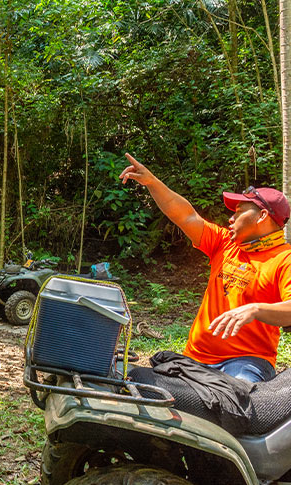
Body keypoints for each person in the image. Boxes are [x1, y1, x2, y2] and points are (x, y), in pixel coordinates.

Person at [120, 153, 291, 383]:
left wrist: (255, 310)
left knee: (239, 399)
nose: (231, 218)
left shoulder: (284, 258)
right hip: (196, 358)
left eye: (239, 211)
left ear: (262, 216)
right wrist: (152, 182)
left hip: (246, 362)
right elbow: (186, 216)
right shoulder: (224, 242)